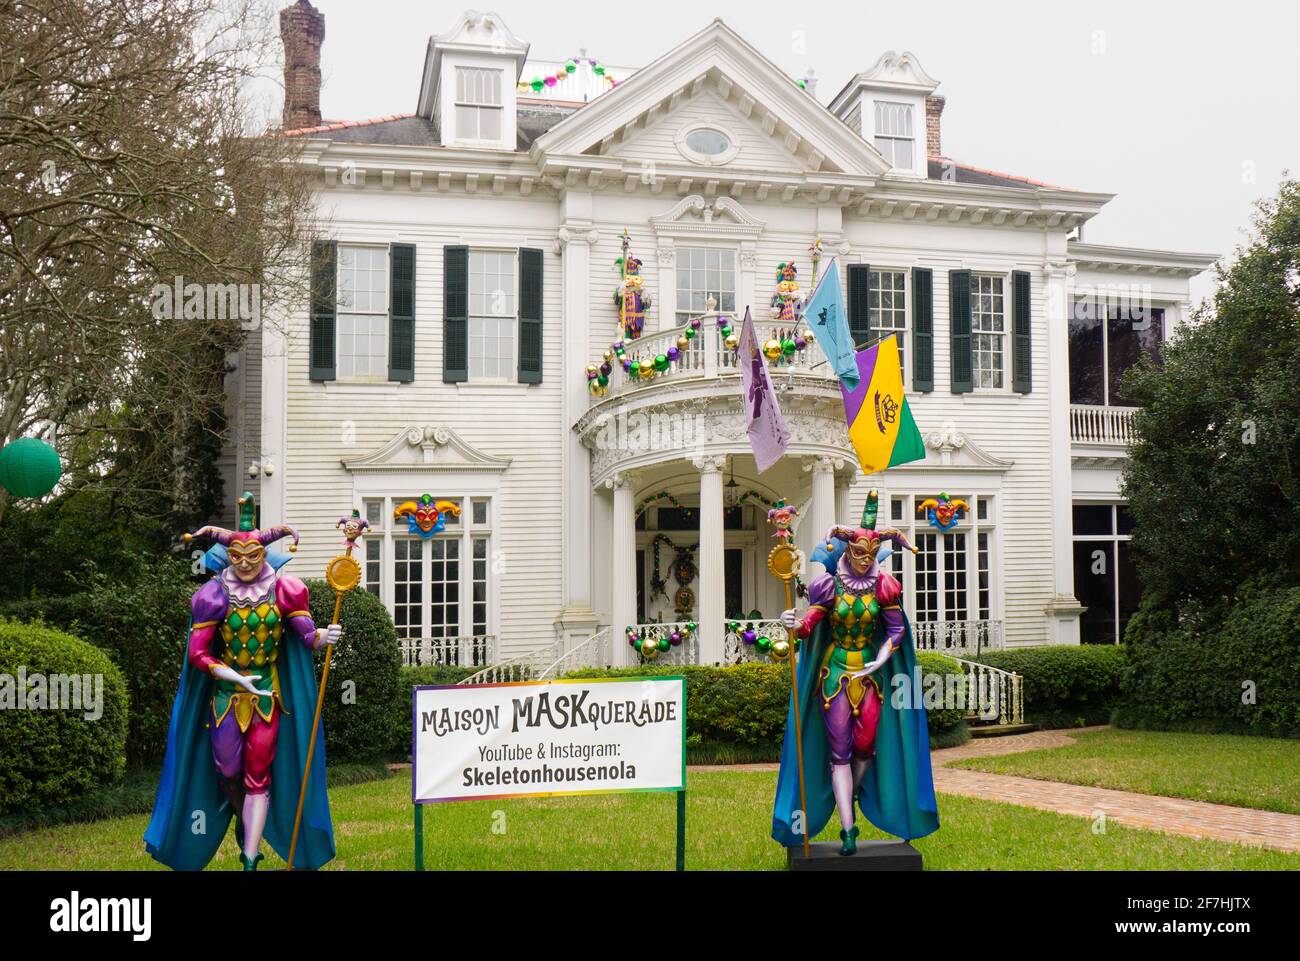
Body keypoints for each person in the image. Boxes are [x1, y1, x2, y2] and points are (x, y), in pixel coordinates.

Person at [145, 493, 338, 870]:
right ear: (227, 557)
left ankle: (250, 856)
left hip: (267, 697)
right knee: (227, 771)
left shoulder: (286, 590)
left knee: (258, 776)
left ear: (266, 556)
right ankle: (242, 818)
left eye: (255, 556)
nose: (247, 563)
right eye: (237, 557)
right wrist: (235, 677)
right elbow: (199, 654)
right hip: (225, 697)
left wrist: (323, 637)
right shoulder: (213, 594)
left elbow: (305, 638)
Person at [771, 490, 939, 854]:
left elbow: (896, 632)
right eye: (858, 552)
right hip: (834, 677)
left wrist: (880, 660)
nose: (864, 560)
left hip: (870, 676)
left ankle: (852, 790)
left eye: (871, 554)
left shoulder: (884, 587)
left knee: (865, 749)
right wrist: (791, 623)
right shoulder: (828, 585)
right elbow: (808, 629)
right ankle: (848, 828)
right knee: (840, 753)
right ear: (847, 550)